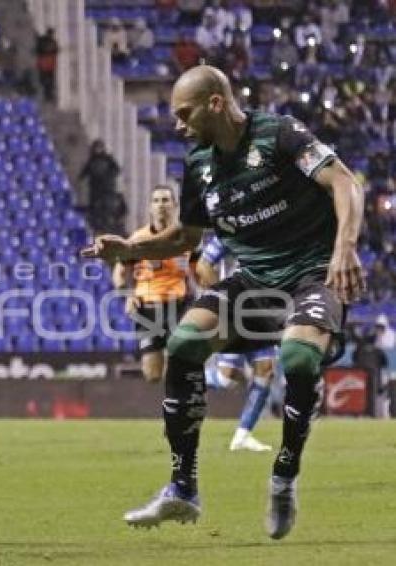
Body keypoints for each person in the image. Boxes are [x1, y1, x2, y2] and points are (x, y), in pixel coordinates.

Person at [82, 65, 364, 539]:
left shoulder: (280, 134)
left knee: (296, 357)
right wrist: (129, 250)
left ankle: (284, 475)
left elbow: (345, 182)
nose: (177, 124)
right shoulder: (198, 164)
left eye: (184, 113)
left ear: (215, 103)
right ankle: (182, 488)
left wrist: (345, 248)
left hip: (313, 273)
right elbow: (185, 239)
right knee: (184, 343)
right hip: (254, 281)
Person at [196, 233, 276, 452]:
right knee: (226, 378)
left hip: (259, 313)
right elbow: (203, 266)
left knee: (266, 370)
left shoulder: (276, 234)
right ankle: (185, 378)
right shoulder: (232, 232)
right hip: (231, 313)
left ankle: (242, 435)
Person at [113, 185, 191, 384]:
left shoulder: (186, 238)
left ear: (174, 205)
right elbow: (119, 273)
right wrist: (129, 295)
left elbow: (200, 269)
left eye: (165, 200)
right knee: (152, 374)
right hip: (148, 310)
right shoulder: (138, 239)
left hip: (180, 305)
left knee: (179, 365)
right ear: (150, 207)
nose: (161, 205)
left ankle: (177, 408)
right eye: (156, 201)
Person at [78, 139, 122, 233]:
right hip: (95, 191)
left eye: (99, 148)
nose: (97, 150)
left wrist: (108, 176)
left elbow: (117, 170)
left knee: (107, 212)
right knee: (95, 211)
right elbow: (84, 173)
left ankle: (108, 228)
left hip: (107, 191)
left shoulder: (108, 159)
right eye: (96, 148)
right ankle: (98, 228)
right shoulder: (91, 161)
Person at [35, 27, 59, 102]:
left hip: (46, 64)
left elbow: (38, 51)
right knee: (48, 81)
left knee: (46, 81)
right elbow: (55, 50)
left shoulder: (45, 41)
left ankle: (48, 95)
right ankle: (48, 95)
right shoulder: (50, 42)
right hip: (48, 64)